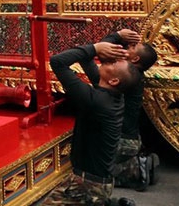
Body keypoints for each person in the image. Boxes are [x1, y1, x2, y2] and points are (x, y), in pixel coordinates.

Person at [47, 39, 140, 206]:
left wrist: (95, 48)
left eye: (112, 64)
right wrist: (115, 38)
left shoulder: (98, 101)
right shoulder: (111, 93)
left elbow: (58, 62)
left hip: (87, 185)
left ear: (114, 81)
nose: (108, 62)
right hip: (99, 182)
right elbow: (85, 58)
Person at [104, 29, 160, 192]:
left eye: (132, 47)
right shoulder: (134, 73)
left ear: (134, 59)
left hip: (121, 141)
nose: (126, 47)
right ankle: (139, 162)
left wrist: (117, 35)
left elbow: (103, 50)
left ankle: (135, 172)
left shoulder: (127, 74)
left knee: (93, 172)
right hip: (130, 138)